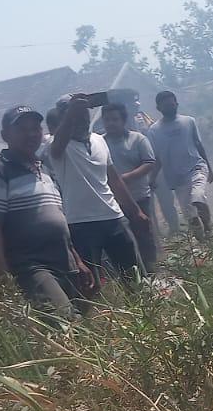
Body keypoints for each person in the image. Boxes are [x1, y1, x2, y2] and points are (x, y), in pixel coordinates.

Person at [0, 105, 94, 320]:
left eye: (35, 128)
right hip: (32, 266)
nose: (31, 134)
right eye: (22, 129)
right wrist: (2, 275)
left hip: (64, 263)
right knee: (65, 322)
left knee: (85, 325)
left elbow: (59, 222)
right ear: (5, 136)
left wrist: (77, 261)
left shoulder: (45, 169)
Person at [44, 94, 149, 287]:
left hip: (113, 217)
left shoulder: (99, 140)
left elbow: (114, 180)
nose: (81, 118)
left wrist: (135, 212)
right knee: (91, 284)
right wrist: (71, 114)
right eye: (74, 114)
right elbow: (58, 146)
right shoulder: (55, 144)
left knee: (135, 277)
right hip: (81, 224)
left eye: (84, 113)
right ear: (64, 118)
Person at [101, 102, 160, 275]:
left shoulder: (137, 139)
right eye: (107, 120)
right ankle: (134, 275)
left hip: (139, 197)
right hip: (113, 202)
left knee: (144, 236)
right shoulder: (99, 142)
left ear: (123, 120)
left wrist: (124, 178)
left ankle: (151, 271)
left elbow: (149, 162)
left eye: (114, 119)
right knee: (124, 241)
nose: (111, 123)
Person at [148, 91, 213, 239]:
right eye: (166, 105)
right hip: (176, 178)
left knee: (197, 197)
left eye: (172, 104)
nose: (170, 107)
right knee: (189, 214)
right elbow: (157, 157)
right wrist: (152, 178)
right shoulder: (154, 130)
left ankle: (209, 229)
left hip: (196, 167)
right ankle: (202, 241)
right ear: (159, 108)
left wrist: (209, 168)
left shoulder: (189, 121)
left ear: (176, 104)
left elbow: (198, 144)